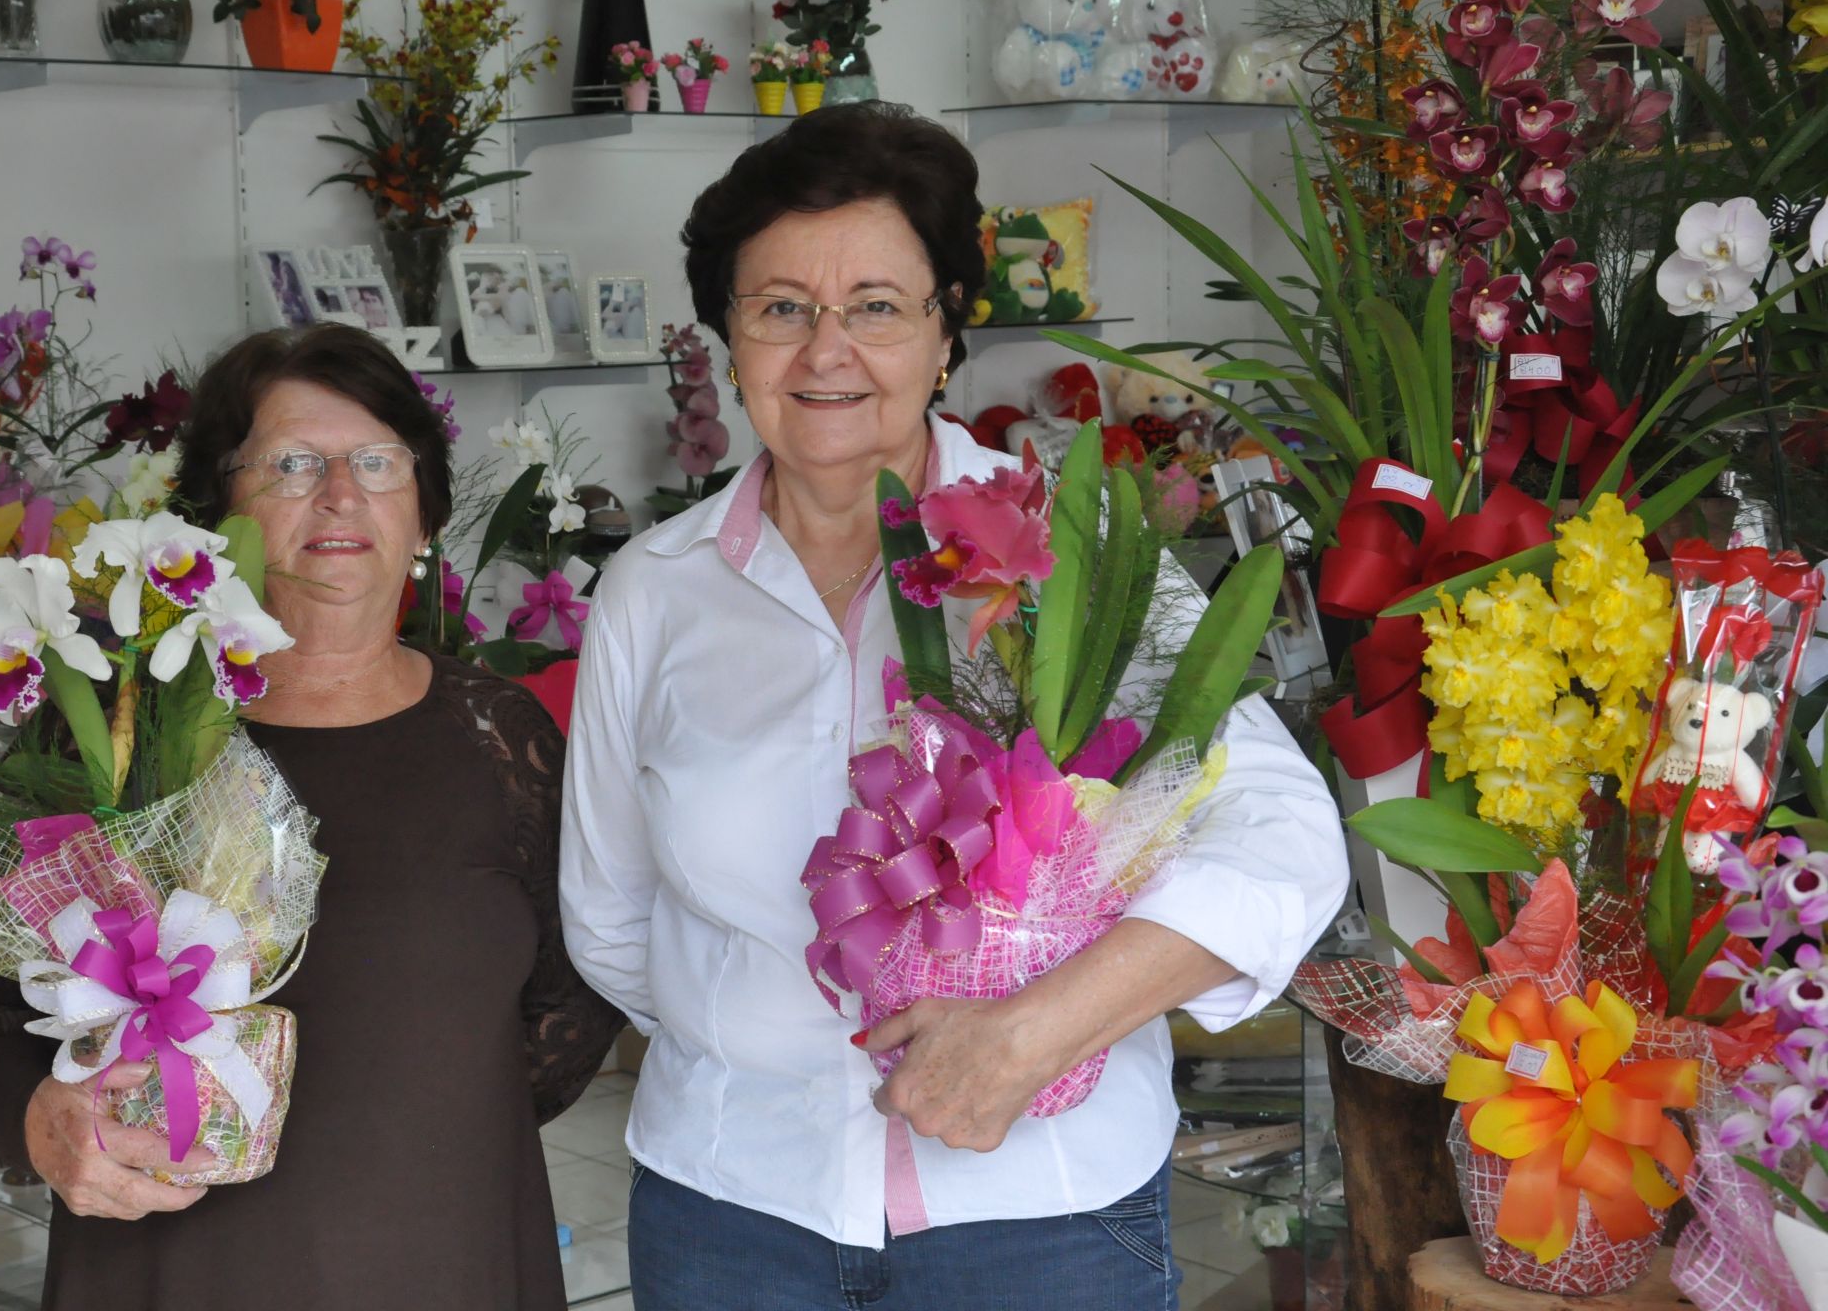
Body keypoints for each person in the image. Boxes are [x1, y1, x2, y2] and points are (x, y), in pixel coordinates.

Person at [560, 104, 1349, 1309]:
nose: (827, 350)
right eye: (779, 307)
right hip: (733, 1216)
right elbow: (610, 916)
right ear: (729, 339)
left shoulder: (1068, 552)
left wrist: (1034, 1030)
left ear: (944, 337)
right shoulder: (651, 594)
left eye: (876, 306)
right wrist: (763, 1047)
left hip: (1037, 1218)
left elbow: (1283, 840)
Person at [0, 323, 623, 1309]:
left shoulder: (503, 741)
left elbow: (569, 1010)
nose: (340, 492)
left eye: (377, 460)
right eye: (290, 462)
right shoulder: (112, 734)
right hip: (169, 1271)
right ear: (218, 513)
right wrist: (44, 1119)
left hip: (443, 1259)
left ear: (424, 513)